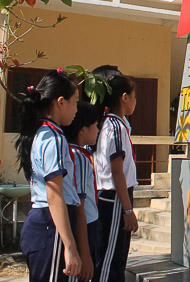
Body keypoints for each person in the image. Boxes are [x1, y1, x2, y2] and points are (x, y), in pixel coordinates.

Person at [16, 69, 83, 281]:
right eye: (75, 102)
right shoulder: (52, 137)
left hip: (47, 224)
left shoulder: (43, 132)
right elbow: (54, 194)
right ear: (60, 102)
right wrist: (70, 247)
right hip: (51, 226)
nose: (76, 109)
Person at [94, 75, 138, 282]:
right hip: (114, 199)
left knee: (117, 257)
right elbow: (117, 170)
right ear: (124, 98)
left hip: (115, 196)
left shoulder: (115, 124)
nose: (135, 101)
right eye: (134, 96)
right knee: (110, 262)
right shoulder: (114, 127)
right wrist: (127, 209)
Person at [63, 102, 100, 276]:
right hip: (84, 227)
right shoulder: (79, 158)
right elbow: (80, 207)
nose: (98, 130)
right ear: (83, 130)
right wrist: (85, 255)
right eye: (95, 126)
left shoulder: (71, 152)